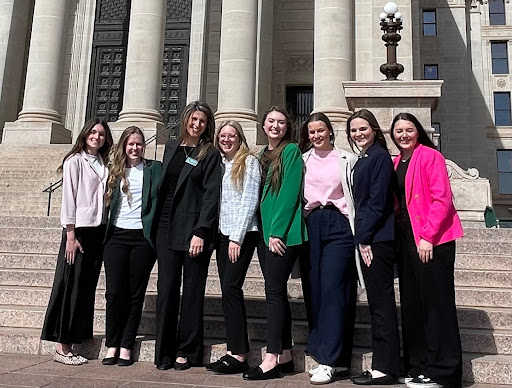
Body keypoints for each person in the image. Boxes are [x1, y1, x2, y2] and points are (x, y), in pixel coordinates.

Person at [391, 113, 463, 388]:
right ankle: (419, 364)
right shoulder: (397, 161)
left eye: (409, 129)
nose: (404, 135)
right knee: (413, 305)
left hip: (433, 239)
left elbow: (441, 199)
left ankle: (444, 371)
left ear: (418, 132)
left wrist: (428, 237)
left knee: (436, 305)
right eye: (399, 131)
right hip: (407, 241)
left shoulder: (430, 156)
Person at [154, 101, 222, 371]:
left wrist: (201, 232)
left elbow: (211, 195)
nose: (197, 124)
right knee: (166, 289)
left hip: (194, 231)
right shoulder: (171, 147)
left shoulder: (210, 153)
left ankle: (187, 351)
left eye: (202, 121)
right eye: (193, 119)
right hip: (166, 226)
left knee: (193, 292)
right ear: (185, 120)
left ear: (207, 125)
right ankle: (164, 351)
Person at [41, 118, 113, 365]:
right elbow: (69, 199)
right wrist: (70, 236)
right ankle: (62, 348)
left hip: (97, 230)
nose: (97, 137)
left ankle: (76, 341)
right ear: (85, 134)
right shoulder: (74, 161)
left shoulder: (103, 162)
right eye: (93, 132)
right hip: (78, 231)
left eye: (101, 134)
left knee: (85, 288)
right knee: (70, 286)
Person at [243, 107, 307, 381]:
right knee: (276, 292)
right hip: (264, 233)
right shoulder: (259, 155)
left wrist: (277, 232)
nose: (276, 126)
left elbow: (289, 193)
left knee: (274, 294)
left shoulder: (291, 151)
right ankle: (286, 356)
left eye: (281, 122)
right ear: (263, 125)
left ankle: (271, 357)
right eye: (271, 121)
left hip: (282, 234)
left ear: (287, 127)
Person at [298, 112, 363, 385]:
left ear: (330, 131)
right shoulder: (302, 160)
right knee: (314, 287)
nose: (316, 136)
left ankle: (327, 360)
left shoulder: (347, 158)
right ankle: (338, 357)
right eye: (312, 132)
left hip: (339, 224)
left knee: (334, 287)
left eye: (321, 130)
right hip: (311, 223)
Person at [346, 109, 401, 385]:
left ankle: (386, 368)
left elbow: (377, 202)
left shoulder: (378, 157)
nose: (358, 134)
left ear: (374, 129)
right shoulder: (364, 158)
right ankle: (384, 364)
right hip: (371, 236)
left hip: (377, 239)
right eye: (354, 130)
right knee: (377, 304)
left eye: (363, 128)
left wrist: (364, 239)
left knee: (382, 304)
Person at [204, 120, 261, 374]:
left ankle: (239, 353)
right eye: (223, 135)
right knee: (228, 291)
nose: (227, 139)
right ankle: (233, 350)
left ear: (240, 138)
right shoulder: (219, 163)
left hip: (241, 234)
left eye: (232, 135)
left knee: (230, 288)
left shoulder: (248, 162)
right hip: (222, 233)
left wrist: (237, 238)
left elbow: (250, 200)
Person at [102, 127, 161, 366]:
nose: (135, 148)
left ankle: (126, 344)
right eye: (131, 144)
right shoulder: (112, 170)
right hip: (115, 236)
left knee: (136, 294)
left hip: (142, 238)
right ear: (123, 146)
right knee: (115, 292)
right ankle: (112, 343)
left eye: (139, 144)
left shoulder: (153, 169)